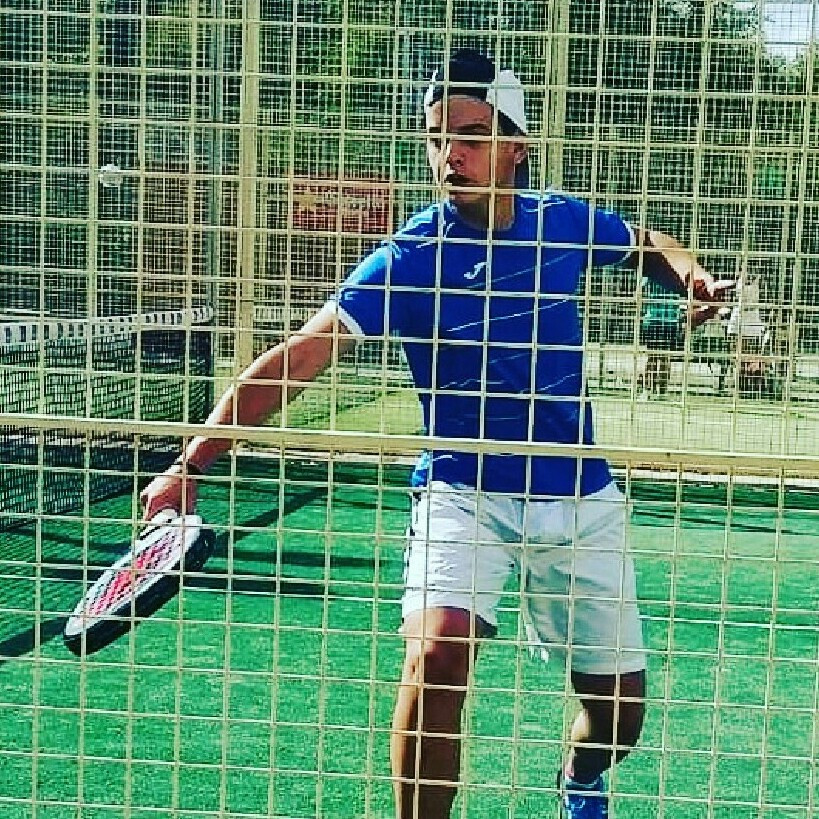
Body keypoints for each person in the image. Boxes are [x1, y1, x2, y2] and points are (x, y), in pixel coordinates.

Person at [140, 48, 732, 819]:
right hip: (461, 491)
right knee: (435, 652)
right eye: (436, 137)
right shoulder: (411, 255)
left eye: (472, 134)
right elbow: (298, 357)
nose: (451, 153)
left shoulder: (560, 220)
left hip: (578, 497)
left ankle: (580, 776)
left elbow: (644, 242)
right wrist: (190, 463)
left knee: (618, 714)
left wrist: (689, 276)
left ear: (515, 145)